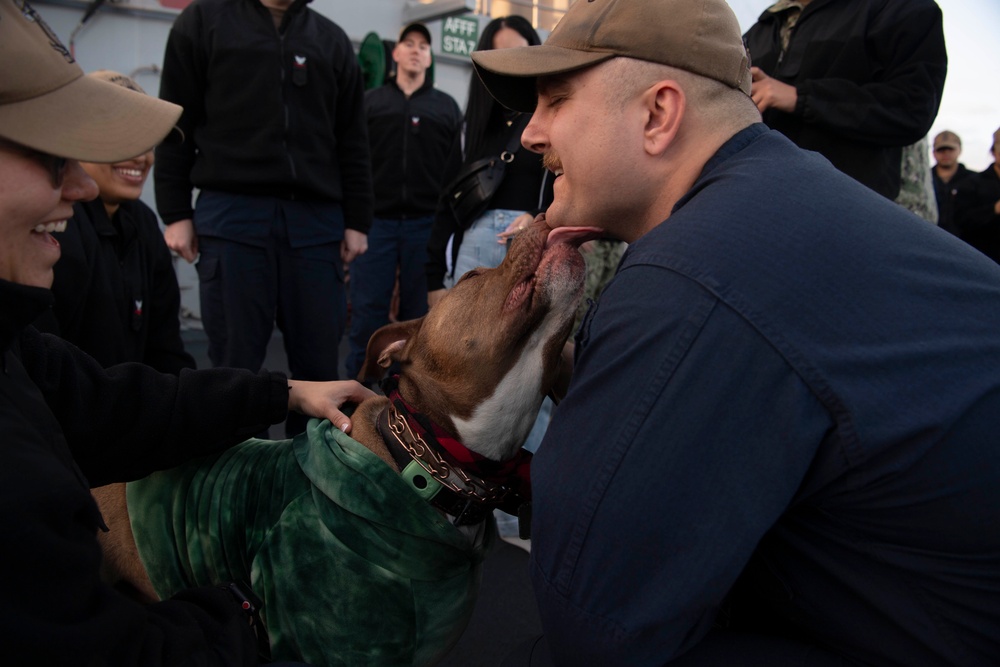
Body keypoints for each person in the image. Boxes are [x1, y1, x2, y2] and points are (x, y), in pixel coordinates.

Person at [471, 0, 1000, 664]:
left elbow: (595, 622)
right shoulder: (778, 202)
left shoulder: (695, 269)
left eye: (556, 100)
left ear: (658, 115)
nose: (530, 134)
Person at [0, 1, 374, 663]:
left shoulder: (20, 355)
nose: (83, 183)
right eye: (50, 155)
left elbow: (120, 400)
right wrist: (252, 608)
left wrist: (282, 392)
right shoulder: (23, 487)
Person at [155, 0, 374, 436]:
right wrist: (176, 211)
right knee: (235, 365)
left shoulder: (330, 41)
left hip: (316, 221)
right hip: (232, 212)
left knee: (318, 366)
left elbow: (352, 138)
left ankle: (312, 482)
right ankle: (237, 482)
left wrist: (358, 219)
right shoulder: (202, 23)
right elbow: (175, 121)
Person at [35, 70, 195, 375]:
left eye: (147, 141)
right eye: (122, 136)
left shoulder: (144, 225)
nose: (141, 157)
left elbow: (167, 351)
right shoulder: (53, 226)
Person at [345, 23, 461, 379]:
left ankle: (407, 403)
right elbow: (352, 162)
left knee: (419, 320)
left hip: (425, 225)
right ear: (394, 54)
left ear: (429, 57)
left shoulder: (446, 108)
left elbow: (454, 173)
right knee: (367, 313)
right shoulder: (370, 103)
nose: (416, 50)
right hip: (375, 223)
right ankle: (355, 397)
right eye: (408, 43)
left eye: (423, 45)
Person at [742, 0, 947, 201]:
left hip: (845, 207)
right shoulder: (759, 29)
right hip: (755, 196)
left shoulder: (899, 9)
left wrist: (801, 98)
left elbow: (913, 107)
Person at [425, 15, 553, 306]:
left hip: (530, 248)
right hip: (472, 251)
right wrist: (433, 278)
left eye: (522, 52)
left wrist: (539, 215)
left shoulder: (546, 124)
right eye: (500, 54)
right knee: (460, 348)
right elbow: (448, 201)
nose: (511, 62)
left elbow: (568, 185)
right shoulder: (471, 127)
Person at [953, 127, 1000, 264]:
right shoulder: (971, 184)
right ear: (994, 151)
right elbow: (961, 221)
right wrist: (994, 210)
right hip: (986, 262)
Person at [931, 129, 976, 235]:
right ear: (933, 152)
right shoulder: (923, 181)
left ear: (959, 150)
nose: (946, 154)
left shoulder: (975, 181)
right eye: (941, 150)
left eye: (950, 149)